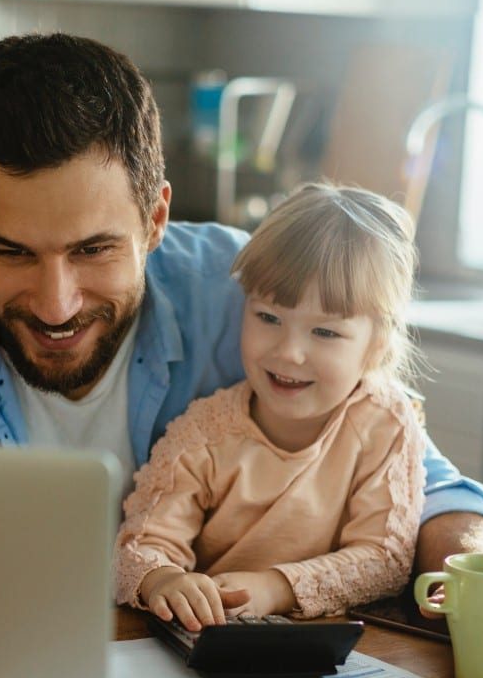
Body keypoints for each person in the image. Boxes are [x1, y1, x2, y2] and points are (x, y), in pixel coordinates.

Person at [0, 32, 483, 678]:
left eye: (93, 250)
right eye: (11, 252)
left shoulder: (255, 300)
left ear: (156, 219)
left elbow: (424, 485)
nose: (56, 303)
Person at [113, 182, 427, 626]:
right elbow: (138, 548)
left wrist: (277, 588)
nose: (289, 352)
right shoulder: (203, 434)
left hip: (337, 647)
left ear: (377, 346)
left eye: (325, 332)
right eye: (268, 317)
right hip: (216, 640)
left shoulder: (386, 425)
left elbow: (386, 559)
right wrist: (162, 579)